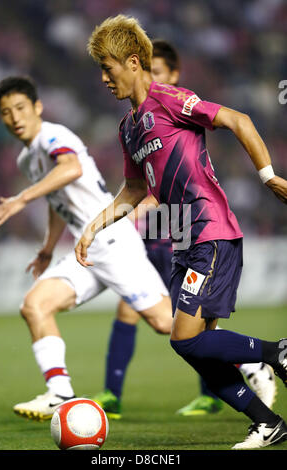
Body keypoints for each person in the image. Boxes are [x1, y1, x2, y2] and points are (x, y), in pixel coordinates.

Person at [75, 15, 287, 449]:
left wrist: (267, 177)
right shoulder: (128, 127)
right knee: (195, 346)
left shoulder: (171, 99)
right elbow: (134, 189)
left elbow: (239, 119)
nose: (102, 78)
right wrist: (92, 227)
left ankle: (276, 354)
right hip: (181, 241)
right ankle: (268, 421)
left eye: (107, 66)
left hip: (211, 230)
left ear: (133, 62)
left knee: (185, 338)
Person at [0, 75, 173, 421]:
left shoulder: (54, 135)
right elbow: (58, 201)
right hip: (85, 251)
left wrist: (21, 197)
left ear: (37, 108)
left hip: (113, 241)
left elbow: (70, 168)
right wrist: (47, 248)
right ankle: (60, 392)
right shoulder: (27, 159)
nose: (14, 117)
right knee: (34, 306)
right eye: (6, 112)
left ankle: (253, 360)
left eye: (20, 108)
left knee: (166, 323)